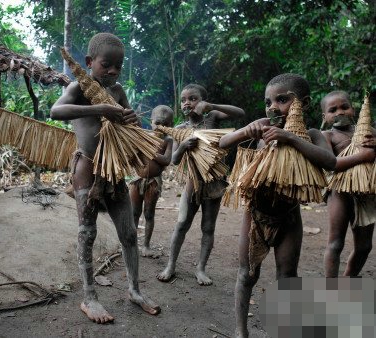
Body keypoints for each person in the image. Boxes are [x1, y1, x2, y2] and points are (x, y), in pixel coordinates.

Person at [50, 32, 160, 324]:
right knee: (87, 233)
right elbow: (55, 110)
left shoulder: (119, 91)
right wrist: (100, 108)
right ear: (89, 62)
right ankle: (89, 297)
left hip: (114, 172)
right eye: (105, 64)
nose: (112, 71)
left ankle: (135, 290)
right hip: (87, 168)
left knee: (128, 233)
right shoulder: (78, 88)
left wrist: (132, 119)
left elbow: (128, 120)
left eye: (117, 66)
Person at [218, 73, 336, 338]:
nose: (273, 107)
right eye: (268, 101)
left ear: (303, 104)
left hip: (289, 218)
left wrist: (291, 138)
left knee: (287, 275)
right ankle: (241, 330)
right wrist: (246, 131)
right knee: (247, 274)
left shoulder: (312, 134)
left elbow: (331, 162)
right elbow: (223, 143)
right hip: (256, 216)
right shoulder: (261, 127)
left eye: (282, 100)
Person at [156, 83, 245, 285]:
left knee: (208, 227)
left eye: (193, 98)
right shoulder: (180, 130)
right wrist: (183, 148)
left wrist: (211, 105)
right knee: (181, 224)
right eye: (183, 99)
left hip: (214, 182)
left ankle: (201, 269)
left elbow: (240, 113)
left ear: (202, 101)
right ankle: (171, 265)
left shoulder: (212, 117)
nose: (187, 103)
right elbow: (175, 161)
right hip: (193, 182)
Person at [321, 90, 376, 277]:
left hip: (367, 193)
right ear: (325, 116)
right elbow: (330, 164)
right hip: (340, 192)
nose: (340, 112)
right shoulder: (327, 136)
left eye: (344, 107)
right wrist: (363, 155)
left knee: (364, 246)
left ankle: (348, 280)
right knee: (335, 243)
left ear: (353, 109)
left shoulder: (370, 132)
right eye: (333, 109)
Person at [129, 105, 173, 258]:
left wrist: (151, 152)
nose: (161, 127)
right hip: (137, 180)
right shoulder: (144, 135)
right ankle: (132, 244)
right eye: (158, 123)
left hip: (153, 182)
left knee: (148, 213)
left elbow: (167, 160)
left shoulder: (168, 140)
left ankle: (146, 245)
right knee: (134, 212)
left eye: (166, 124)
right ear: (152, 121)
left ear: (171, 126)